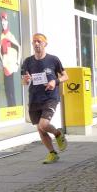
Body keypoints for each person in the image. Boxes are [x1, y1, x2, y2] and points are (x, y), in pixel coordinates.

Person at [20, 33, 68, 164]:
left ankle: (58, 134)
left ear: (45, 44)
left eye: (39, 41)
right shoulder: (27, 62)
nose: (36, 44)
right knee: (40, 129)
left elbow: (65, 76)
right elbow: (24, 81)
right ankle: (52, 154)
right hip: (34, 98)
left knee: (44, 124)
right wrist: (25, 80)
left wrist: (55, 82)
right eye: (34, 41)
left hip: (50, 98)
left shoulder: (53, 60)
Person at [0, 11, 21, 107]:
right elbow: (1, 49)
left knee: (10, 87)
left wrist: (17, 62)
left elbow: (18, 46)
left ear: (7, 22)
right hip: (5, 63)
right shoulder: (2, 34)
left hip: (10, 63)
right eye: (2, 21)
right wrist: (2, 59)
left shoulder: (9, 34)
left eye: (5, 21)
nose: (3, 23)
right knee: (7, 87)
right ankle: (10, 106)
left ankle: (13, 106)